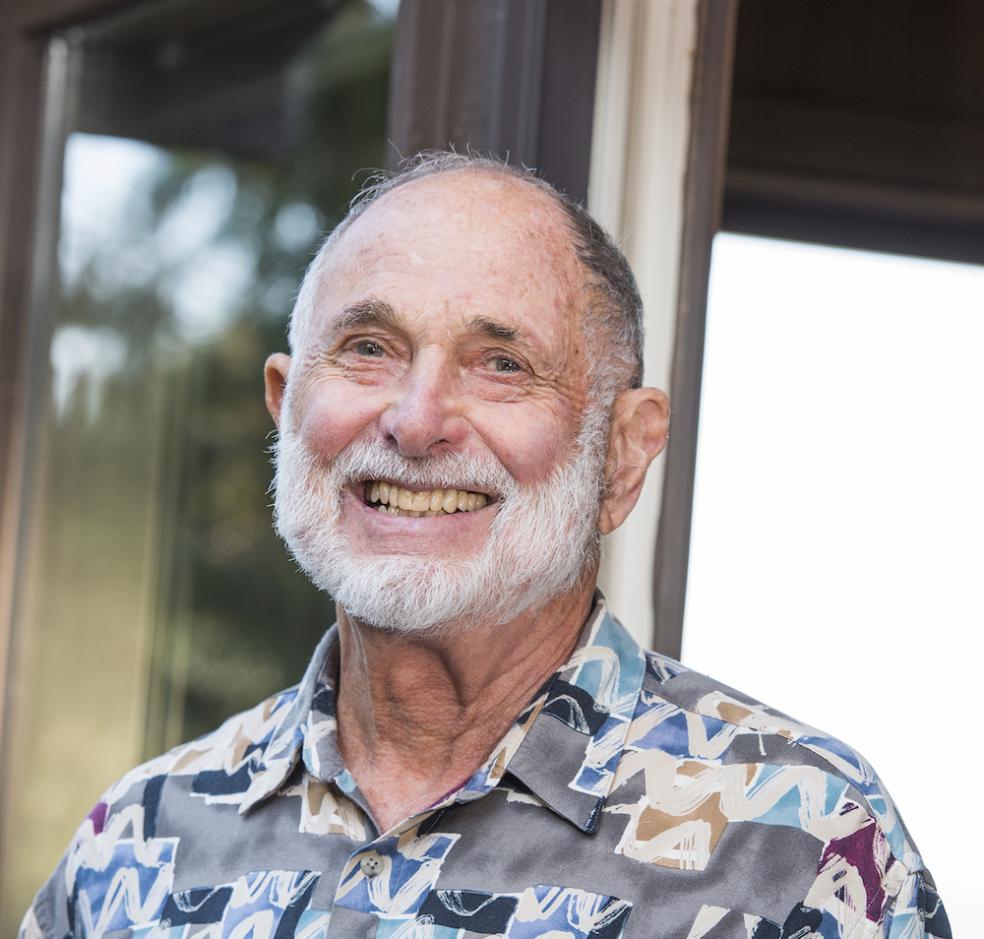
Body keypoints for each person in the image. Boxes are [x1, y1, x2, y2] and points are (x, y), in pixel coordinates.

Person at [21, 153, 950, 939]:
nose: (416, 422)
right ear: (285, 405)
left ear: (623, 454)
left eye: (501, 364)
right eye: (368, 347)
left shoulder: (796, 841)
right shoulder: (137, 842)